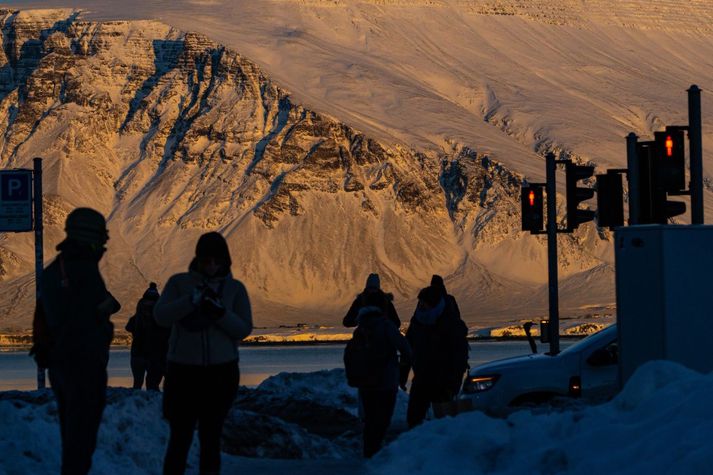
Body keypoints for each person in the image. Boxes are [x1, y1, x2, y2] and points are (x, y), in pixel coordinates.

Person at [31, 207, 120, 475]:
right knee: (81, 441)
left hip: (60, 364)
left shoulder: (52, 270)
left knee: (72, 436)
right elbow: (88, 321)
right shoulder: (84, 271)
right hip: (83, 366)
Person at [154, 231, 253, 475]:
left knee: (211, 439)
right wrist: (190, 301)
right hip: (183, 372)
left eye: (216, 261)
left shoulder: (234, 289)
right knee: (180, 437)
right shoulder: (179, 283)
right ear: (198, 259)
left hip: (221, 372)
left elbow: (243, 329)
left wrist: (220, 313)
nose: (210, 266)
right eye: (206, 260)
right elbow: (161, 316)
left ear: (224, 261)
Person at [345, 292, 411, 458]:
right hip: (386, 380)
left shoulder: (360, 328)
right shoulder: (386, 325)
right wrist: (403, 369)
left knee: (370, 418)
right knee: (383, 418)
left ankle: (369, 451)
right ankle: (377, 453)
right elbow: (406, 349)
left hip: (366, 381)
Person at [403, 283, 469, 428]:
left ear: (433, 304)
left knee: (442, 423)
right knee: (414, 418)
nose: (421, 306)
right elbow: (407, 349)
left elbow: (459, 357)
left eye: (424, 303)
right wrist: (402, 376)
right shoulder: (418, 322)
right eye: (420, 303)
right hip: (421, 378)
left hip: (443, 381)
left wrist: (454, 383)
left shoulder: (451, 325)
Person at [125, 282, 169, 390]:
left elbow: (128, 327)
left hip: (138, 353)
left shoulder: (137, 317)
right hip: (155, 355)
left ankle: (135, 405)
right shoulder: (161, 317)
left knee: (137, 384)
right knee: (153, 386)